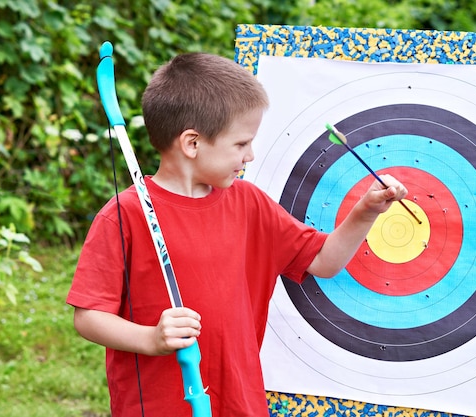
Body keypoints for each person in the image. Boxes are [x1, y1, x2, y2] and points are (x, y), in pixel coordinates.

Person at [67, 52, 408, 417]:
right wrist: (150, 339)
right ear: (192, 143)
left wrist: (366, 211)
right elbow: (88, 316)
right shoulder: (124, 215)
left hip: (238, 403)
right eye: (241, 144)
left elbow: (323, 261)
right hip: (157, 405)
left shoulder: (248, 203)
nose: (250, 155)